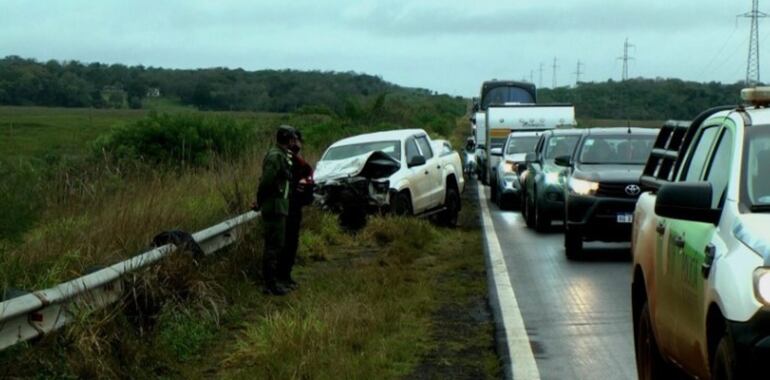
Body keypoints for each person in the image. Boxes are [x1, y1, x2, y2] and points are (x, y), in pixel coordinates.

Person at [257, 125, 296, 295]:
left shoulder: (282, 155)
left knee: (277, 244)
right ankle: (270, 284)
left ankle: (273, 281)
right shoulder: (275, 156)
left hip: (279, 205)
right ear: (288, 139)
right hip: (273, 206)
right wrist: (259, 201)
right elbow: (266, 182)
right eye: (293, 138)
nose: (295, 142)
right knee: (273, 246)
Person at [278, 130, 314, 290]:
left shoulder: (297, 161)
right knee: (285, 243)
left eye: (297, 140)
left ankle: (286, 275)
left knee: (292, 242)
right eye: (293, 140)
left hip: (295, 206)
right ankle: (281, 277)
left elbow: (307, 176)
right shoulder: (283, 158)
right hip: (285, 206)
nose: (296, 143)